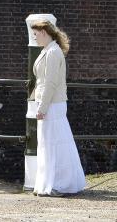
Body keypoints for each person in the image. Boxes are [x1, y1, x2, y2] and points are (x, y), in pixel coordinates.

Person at [31, 20, 86, 197]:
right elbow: (42, 81)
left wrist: (43, 107)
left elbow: (51, 83)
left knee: (54, 144)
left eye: (36, 33)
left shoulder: (53, 52)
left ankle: (60, 184)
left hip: (52, 105)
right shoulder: (48, 51)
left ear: (44, 32)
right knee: (49, 144)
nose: (34, 36)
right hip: (49, 103)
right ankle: (50, 183)